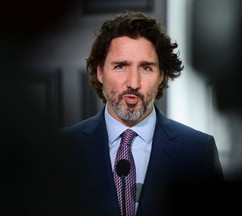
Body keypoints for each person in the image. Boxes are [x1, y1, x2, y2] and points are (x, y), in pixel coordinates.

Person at [59, 11, 224, 215]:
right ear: (100, 72)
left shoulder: (198, 151)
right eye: (121, 66)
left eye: (146, 68)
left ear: (162, 75)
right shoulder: (61, 149)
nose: (133, 83)